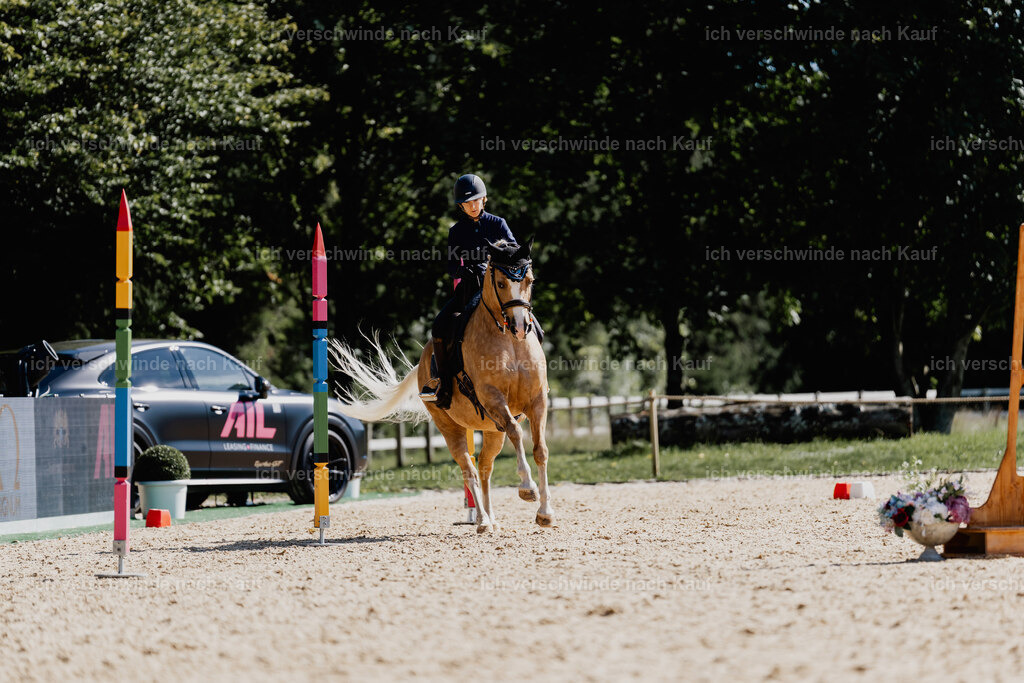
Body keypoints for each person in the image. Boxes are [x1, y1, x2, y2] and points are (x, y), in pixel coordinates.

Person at [420, 174, 518, 407]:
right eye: (467, 203)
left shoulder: (498, 224)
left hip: (498, 289)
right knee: (439, 326)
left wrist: (491, 264)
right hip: (468, 290)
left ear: (484, 200)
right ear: (461, 206)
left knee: (528, 319)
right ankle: (442, 384)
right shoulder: (456, 232)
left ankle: (536, 377)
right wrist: (466, 271)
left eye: (476, 201)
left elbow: (514, 254)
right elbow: (452, 268)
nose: (473, 206)